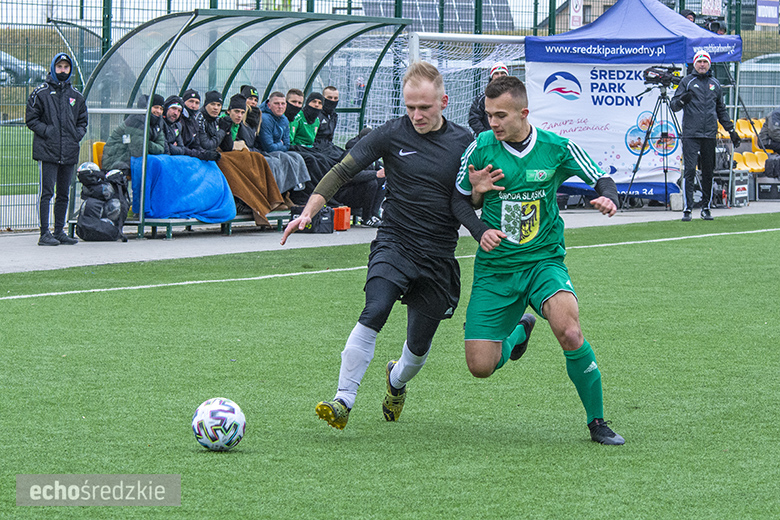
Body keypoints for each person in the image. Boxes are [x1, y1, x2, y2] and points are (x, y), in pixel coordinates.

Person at [281, 61, 473, 430]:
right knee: (375, 309)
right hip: (395, 242)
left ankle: (396, 381)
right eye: (410, 106)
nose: (416, 115)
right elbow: (341, 171)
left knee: (416, 351)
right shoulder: (390, 134)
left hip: (438, 254)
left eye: (425, 107)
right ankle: (343, 399)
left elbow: (472, 198)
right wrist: (307, 211)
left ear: (444, 102)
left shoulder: (465, 143)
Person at [453, 75, 625, 445]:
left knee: (569, 330)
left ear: (523, 112)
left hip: (543, 261)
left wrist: (609, 197)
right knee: (480, 367)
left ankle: (597, 422)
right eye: (488, 114)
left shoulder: (555, 147)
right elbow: (458, 199)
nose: (492, 123)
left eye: (500, 115)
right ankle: (518, 333)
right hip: (496, 269)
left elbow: (600, 176)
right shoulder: (481, 147)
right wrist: (477, 214)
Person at [25, 52, 88, 246]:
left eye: (66, 67)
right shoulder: (40, 93)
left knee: (64, 193)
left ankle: (59, 231)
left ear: (70, 70)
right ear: (53, 68)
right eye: (59, 67)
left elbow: (82, 122)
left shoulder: (76, 96)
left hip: (69, 151)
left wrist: (75, 136)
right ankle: (45, 233)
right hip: (47, 151)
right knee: (46, 193)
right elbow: (31, 119)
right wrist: (49, 132)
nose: (62, 70)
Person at [671, 50, 740, 221]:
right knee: (689, 170)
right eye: (699, 61)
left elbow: (721, 110)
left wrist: (731, 130)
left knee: (708, 171)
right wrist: (682, 101)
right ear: (694, 64)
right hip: (690, 134)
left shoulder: (715, 84)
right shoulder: (687, 82)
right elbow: (674, 105)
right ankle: (687, 209)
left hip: (709, 134)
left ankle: (706, 207)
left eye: (705, 62)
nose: (702, 64)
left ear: (709, 64)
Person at [258, 92, 311, 205]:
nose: (280, 106)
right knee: (279, 159)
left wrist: (280, 145)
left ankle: (294, 191)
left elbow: (287, 144)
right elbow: (269, 147)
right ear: (269, 105)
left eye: (283, 104)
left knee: (297, 157)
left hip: (278, 150)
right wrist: (280, 144)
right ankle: (277, 197)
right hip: (264, 152)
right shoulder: (265, 118)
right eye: (277, 104)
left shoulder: (284, 119)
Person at [101, 93, 165, 173]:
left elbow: (162, 148)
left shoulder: (157, 123)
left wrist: (147, 144)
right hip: (116, 160)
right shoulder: (136, 121)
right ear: (147, 107)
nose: (158, 111)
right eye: (156, 107)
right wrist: (149, 145)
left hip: (130, 159)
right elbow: (138, 149)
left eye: (161, 109)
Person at [161, 95, 219, 161]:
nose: (176, 113)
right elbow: (165, 148)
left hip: (182, 156)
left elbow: (185, 147)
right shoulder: (161, 123)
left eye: (179, 110)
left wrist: (205, 154)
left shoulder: (181, 124)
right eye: (173, 108)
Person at [468, 61, 508, 136]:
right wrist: (486, 134)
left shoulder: (512, 97)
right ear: (491, 77)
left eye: (502, 73)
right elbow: (473, 119)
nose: (500, 76)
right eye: (496, 73)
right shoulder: (483, 98)